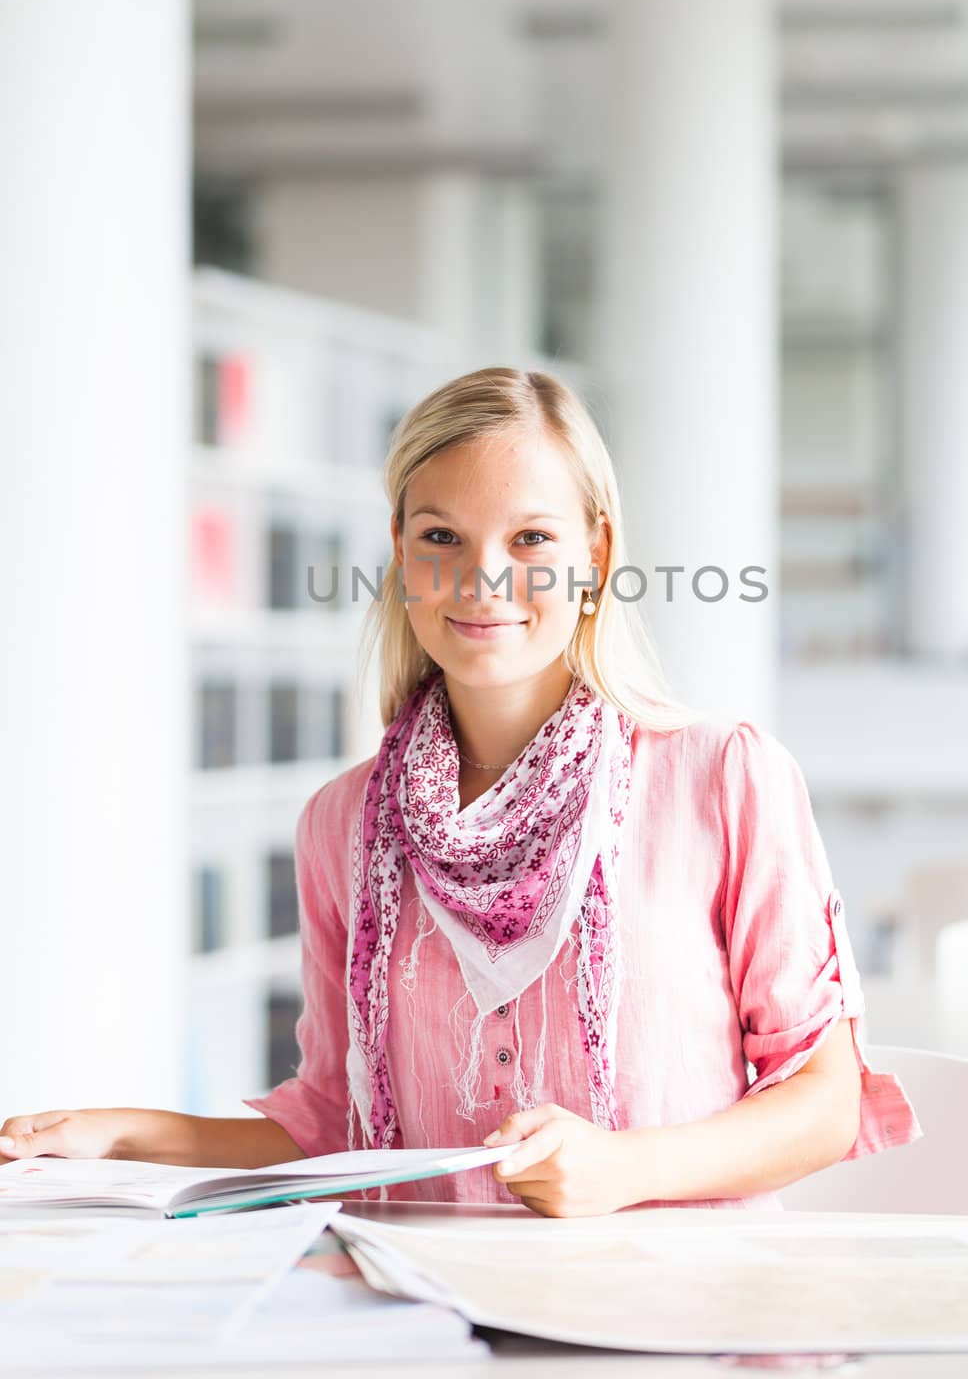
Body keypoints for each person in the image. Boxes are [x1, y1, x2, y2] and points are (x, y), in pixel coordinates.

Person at [0, 367, 921, 1217]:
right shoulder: (343, 823)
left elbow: (822, 1103)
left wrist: (624, 1168)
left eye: (530, 538)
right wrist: (128, 1136)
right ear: (400, 553)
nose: (484, 580)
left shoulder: (723, 777)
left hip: (670, 1312)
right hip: (421, 1310)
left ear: (593, 555)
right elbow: (336, 1126)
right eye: (442, 537)